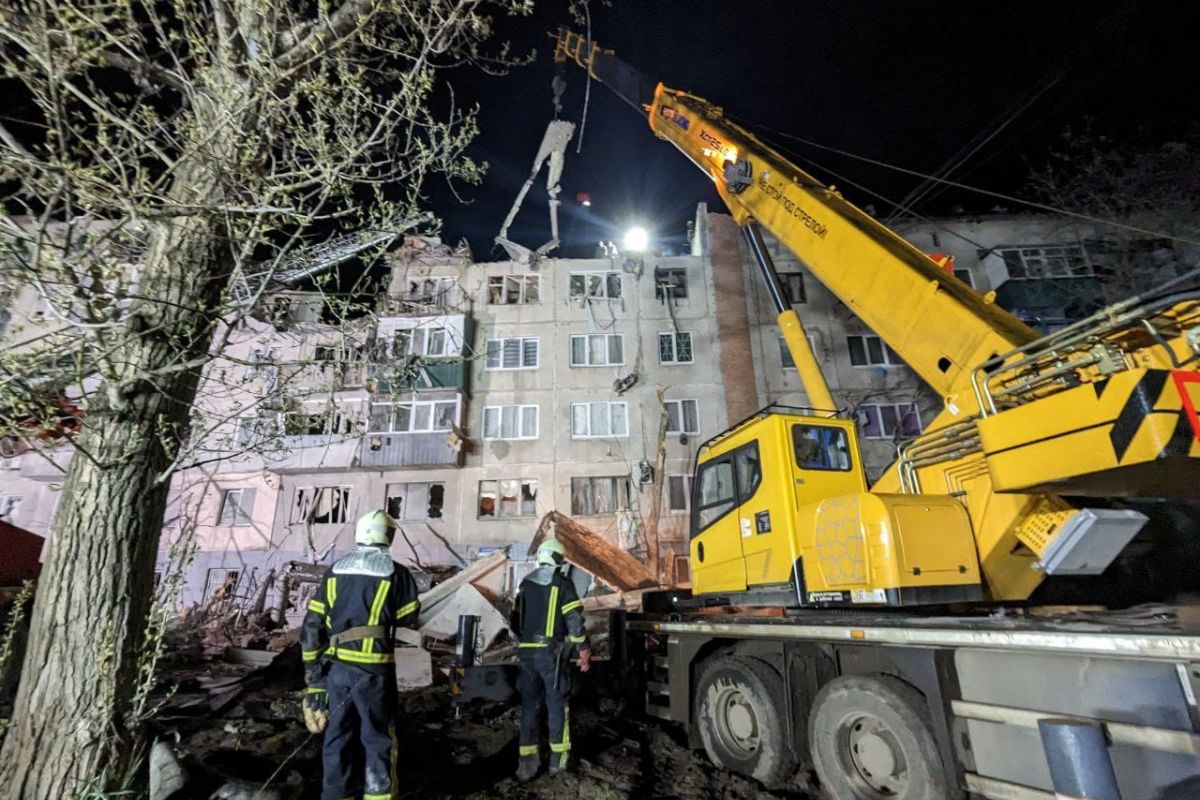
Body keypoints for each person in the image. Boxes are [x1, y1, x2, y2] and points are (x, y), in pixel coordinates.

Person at [301, 509, 420, 800]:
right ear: (388, 536)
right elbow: (408, 618)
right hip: (375, 672)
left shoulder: (334, 571)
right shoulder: (397, 573)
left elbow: (311, 627)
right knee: (378, 738)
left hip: (336, 671)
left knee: (336, 737)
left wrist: (315, 680)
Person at [513, 538, 591, 781]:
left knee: (529, 707)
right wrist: (583, 648)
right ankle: (557, 763)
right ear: (559, 560)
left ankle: (527, 764)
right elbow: (574, 621)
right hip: (551, 656)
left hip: (526, 654)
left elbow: (515, 621)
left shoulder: (525, 583)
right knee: (556, 706)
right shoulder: (562, 583)